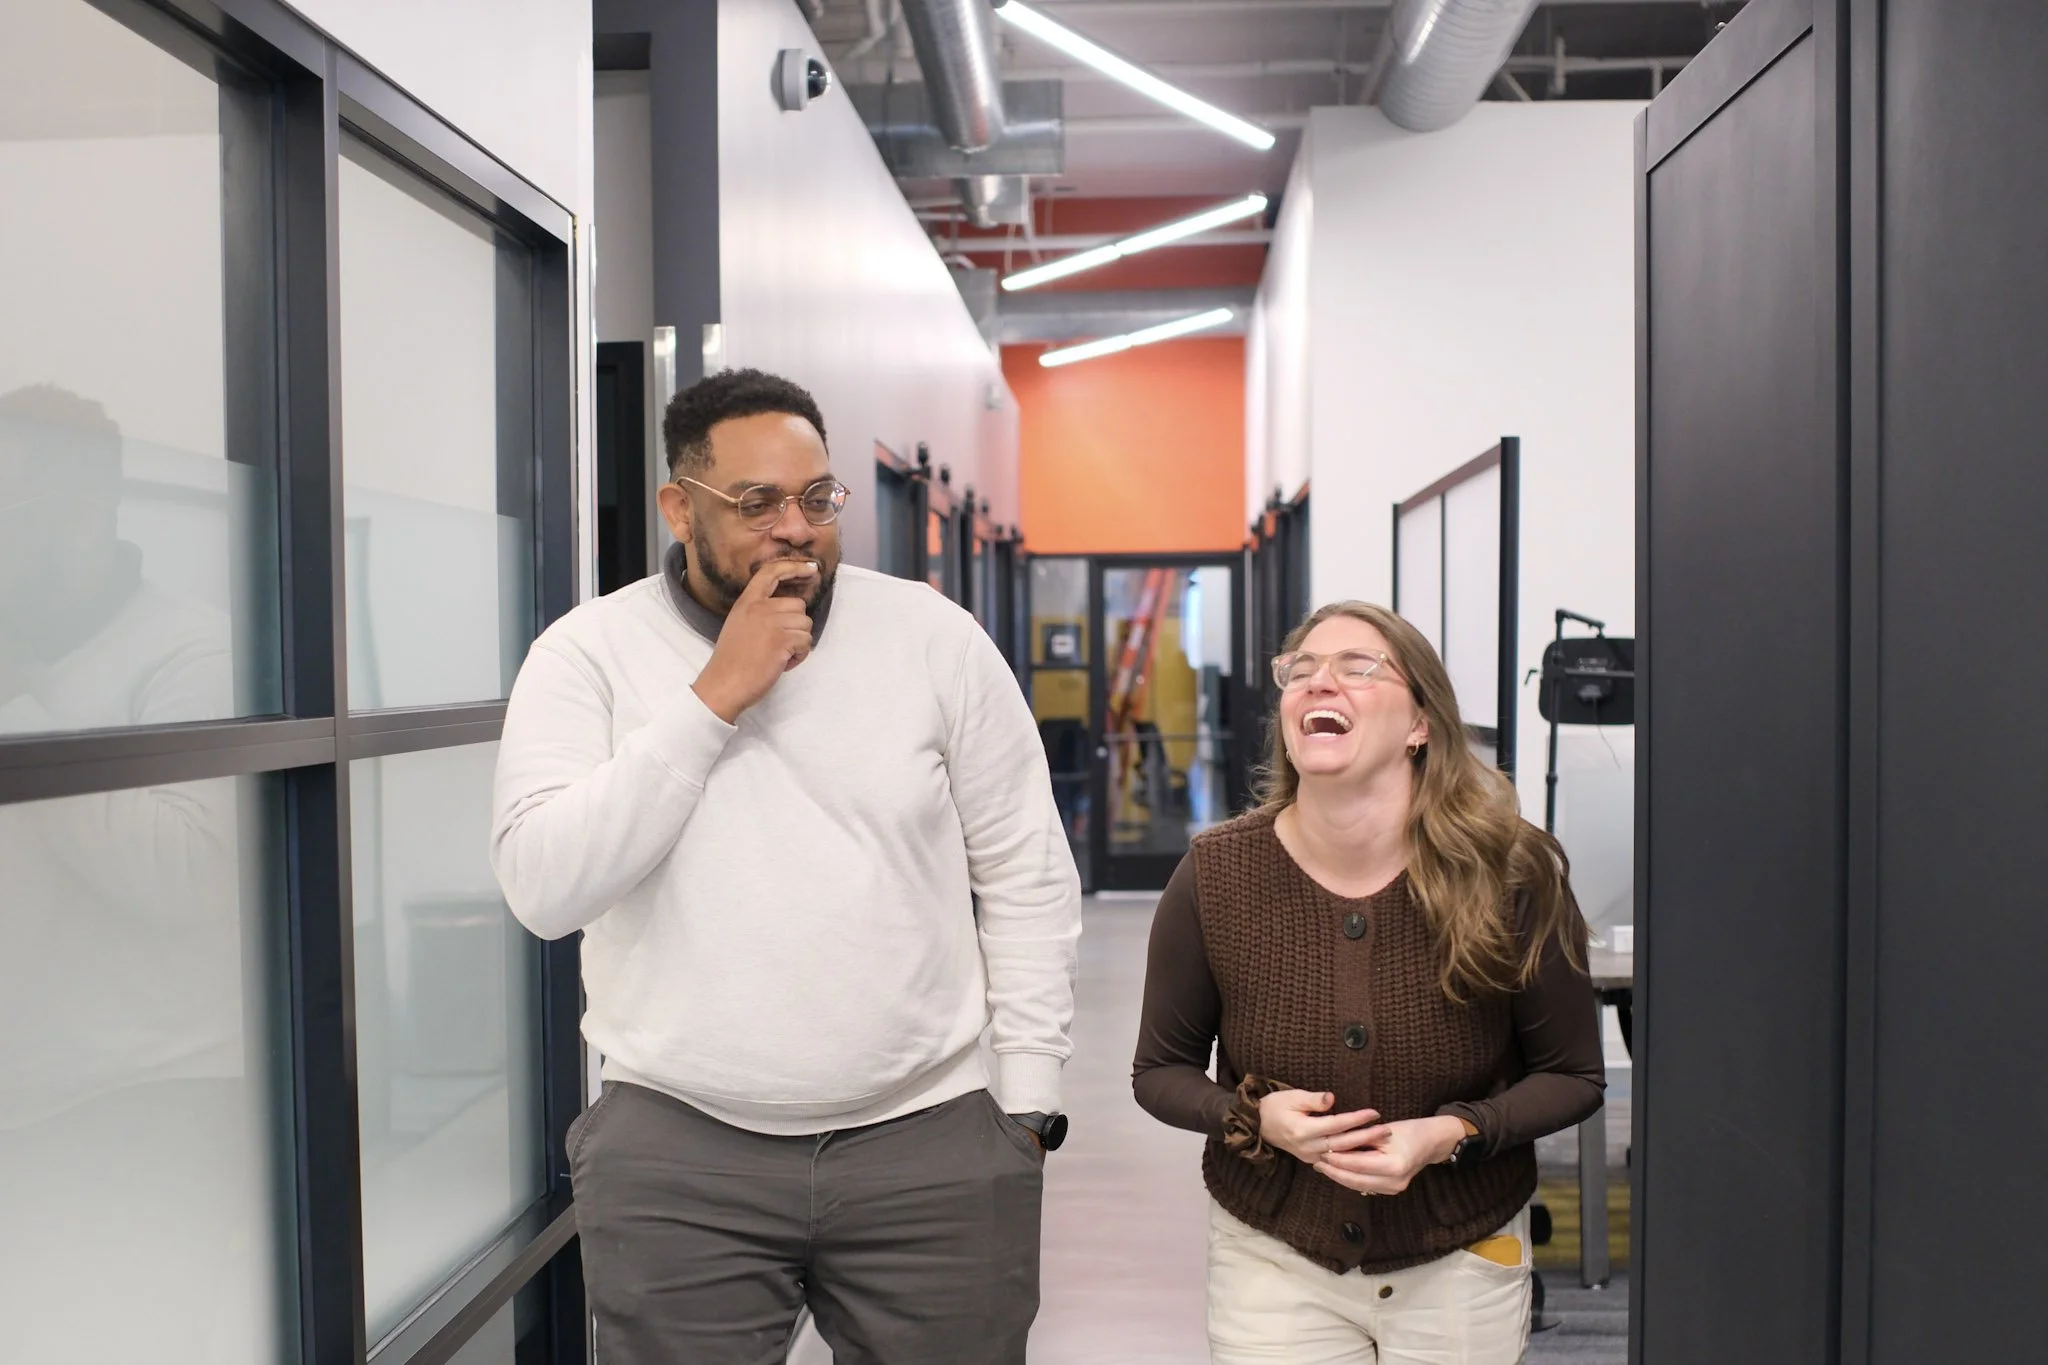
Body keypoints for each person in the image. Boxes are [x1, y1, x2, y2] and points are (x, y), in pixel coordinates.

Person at [491, 368, 1081, 1365]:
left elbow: (1024, 872)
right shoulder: (586, 655)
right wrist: (714, 695)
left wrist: (1024, 1100)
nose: (794, 528)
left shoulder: (933, 640)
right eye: (756, 502)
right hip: (679, 1149)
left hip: (928, 1139)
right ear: (680, 508)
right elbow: (545, 889)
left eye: (815, 498)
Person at [1132, 601, 1604, 1364]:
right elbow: (1159, 1072)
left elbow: (1575, 1074)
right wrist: (1255, 1118)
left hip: (1460, 1253)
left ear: (1421, 721)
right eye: (1302, 670)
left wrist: (1452, 1134)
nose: (1322, 683)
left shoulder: (1511, 872)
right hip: (1276, 1258)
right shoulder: (1216, 875)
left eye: (1359, 667)